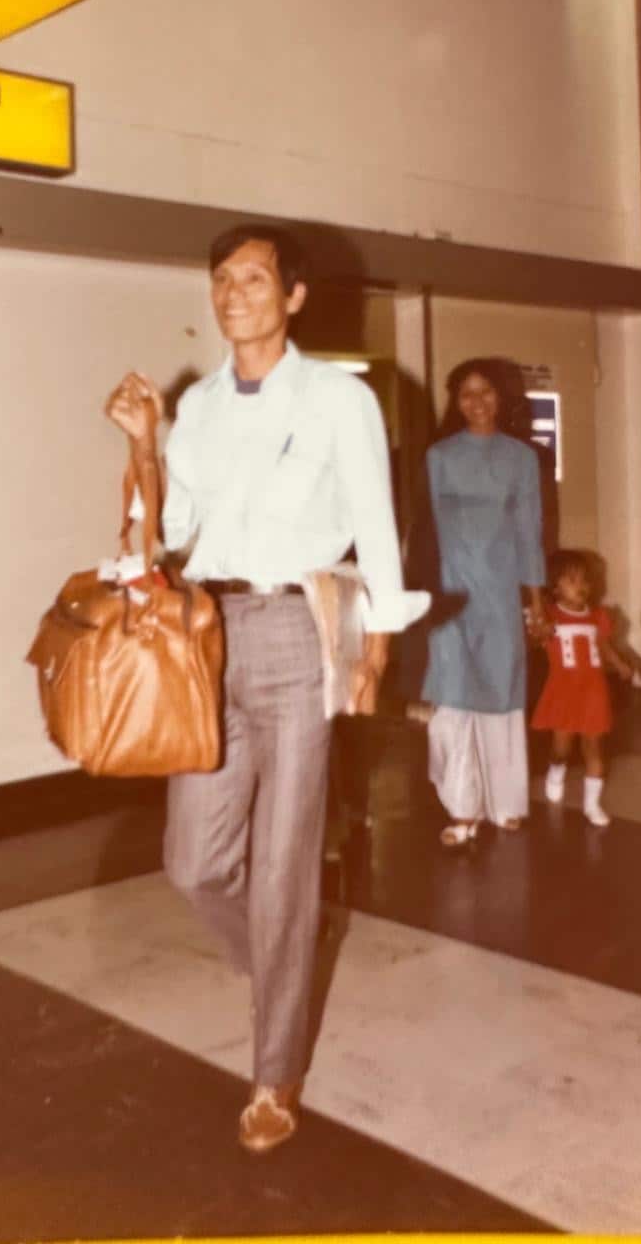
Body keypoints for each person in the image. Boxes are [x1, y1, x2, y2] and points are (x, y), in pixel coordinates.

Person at [105, 224, 423, 1156]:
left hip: (296, 631)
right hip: (209, 633)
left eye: (253, 278)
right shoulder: (198, 406)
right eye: (221, 278)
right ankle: (286, 957)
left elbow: (376, 526)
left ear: (292, 297)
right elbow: (168, 535)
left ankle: (274, 1073)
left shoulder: (338, 400)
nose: (232, 293)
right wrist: (144, 447)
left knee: (284, 866)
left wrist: (375, 650)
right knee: (193, 865)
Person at [416, 358, 547, 847]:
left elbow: (530, 532)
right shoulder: (439, 456)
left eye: (485, 391)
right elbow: (423, 531)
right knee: (452, 698)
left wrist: (536, 600)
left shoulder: (522, 459)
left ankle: (505, 803)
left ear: (502, 397)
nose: (476, 402)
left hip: (500, 593)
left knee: (501, 692)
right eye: (466, 393)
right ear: (455, 401)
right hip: (449, 594)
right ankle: (462, 808)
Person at [532, 548, 635, 827]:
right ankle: (556, 770)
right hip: (563, 690)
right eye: (572, 580)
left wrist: (620, 664)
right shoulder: (550, 616)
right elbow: (537, 635)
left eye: (585, 580)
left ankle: (592, 805)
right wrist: (538, 623)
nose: (582, 586)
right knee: (561, 749)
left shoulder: (597, 616)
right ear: (555, 587)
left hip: (593, 691)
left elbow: (604, 646)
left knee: (594, 747)